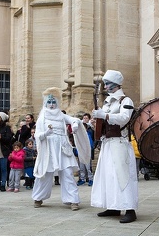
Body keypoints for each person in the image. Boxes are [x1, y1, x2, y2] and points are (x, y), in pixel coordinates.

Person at [91, 70, 138, 223]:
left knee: (122, 176)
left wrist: (104, 115)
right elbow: (104, 122)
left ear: (116, 84)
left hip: (120, 142)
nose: (105, 86)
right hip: (107, 143)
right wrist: (96, 123)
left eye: (108, 83)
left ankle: (130, 209)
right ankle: (113, 206)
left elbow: (124, 118)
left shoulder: (126, 101)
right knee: (109, 176)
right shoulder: (107, 102)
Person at [32, 87, 90, 211]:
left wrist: (75, 125)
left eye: (54, 102)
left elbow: (74, 119)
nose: (52, 105)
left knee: (68, 173)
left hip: (63, 147)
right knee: (45, 173)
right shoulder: (42, 117)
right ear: (45, 103)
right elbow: (37, 135)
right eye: (49, 102)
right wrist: (46, 133)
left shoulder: (61, 115)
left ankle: (73, 200)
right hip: (48, 148)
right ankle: (38, 197)